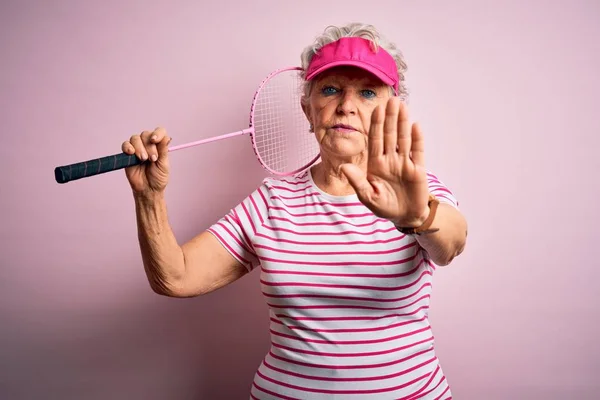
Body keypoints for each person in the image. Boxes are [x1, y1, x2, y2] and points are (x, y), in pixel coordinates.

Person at [122, 22, 467, 400]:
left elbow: (449, 244)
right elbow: (176, 277)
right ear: (308, 109)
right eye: (331, 89)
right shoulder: (273, 201)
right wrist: (149, 197)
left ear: (391, 110)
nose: (346, 105)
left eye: (367, 92)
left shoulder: (417, 189)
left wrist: (416, 217)